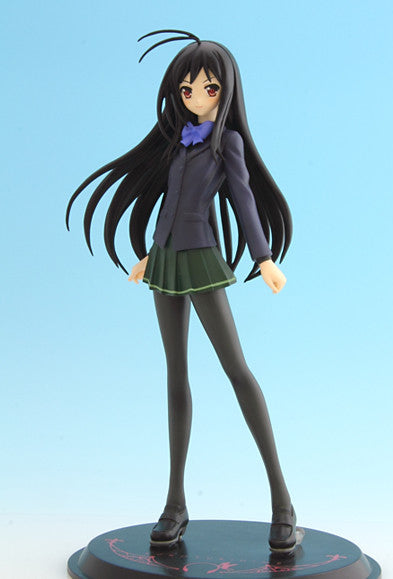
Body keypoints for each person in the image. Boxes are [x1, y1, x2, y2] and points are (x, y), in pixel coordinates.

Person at [67, 30, 298, 554]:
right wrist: (150, 252)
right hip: (166, 261)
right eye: (187, 88)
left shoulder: (227, 142)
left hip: (201, 260)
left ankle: (283, 503)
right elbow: (170, 203)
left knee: (237, 370)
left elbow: (243, 199)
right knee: (176, 375)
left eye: (208, 88)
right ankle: (175, 503)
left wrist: (263, 257)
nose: (195, 96)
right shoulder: (180, 143)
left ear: (225, 91)